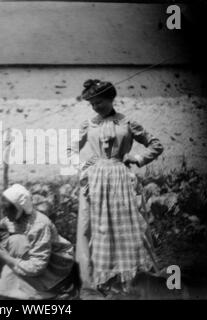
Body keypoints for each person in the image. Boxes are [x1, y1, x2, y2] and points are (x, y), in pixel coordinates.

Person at [68, 79, 164, 295]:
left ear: (111, 99)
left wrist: (137, 158)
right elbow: (70, 149)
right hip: (95, 180)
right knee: (91, 228)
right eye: (92, 104)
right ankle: (94, 280)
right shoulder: (88, 125)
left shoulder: (128, 123)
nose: (96, 107)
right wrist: (83, 167)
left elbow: (156, 145)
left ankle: (130, 279)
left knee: (129, 228)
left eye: (99, 102)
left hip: (121, 178)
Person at [0, 184, 80, 300]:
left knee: (18, 242)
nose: (4, 213)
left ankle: (54, 292)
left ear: (20, 209)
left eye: (8, 210)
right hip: (31, 258)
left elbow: (38, 266)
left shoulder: (39, 225)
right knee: (16, 242)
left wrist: (8, 259)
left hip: (55, 263)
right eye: (3, 209)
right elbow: (2, 228)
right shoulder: (10, 220)